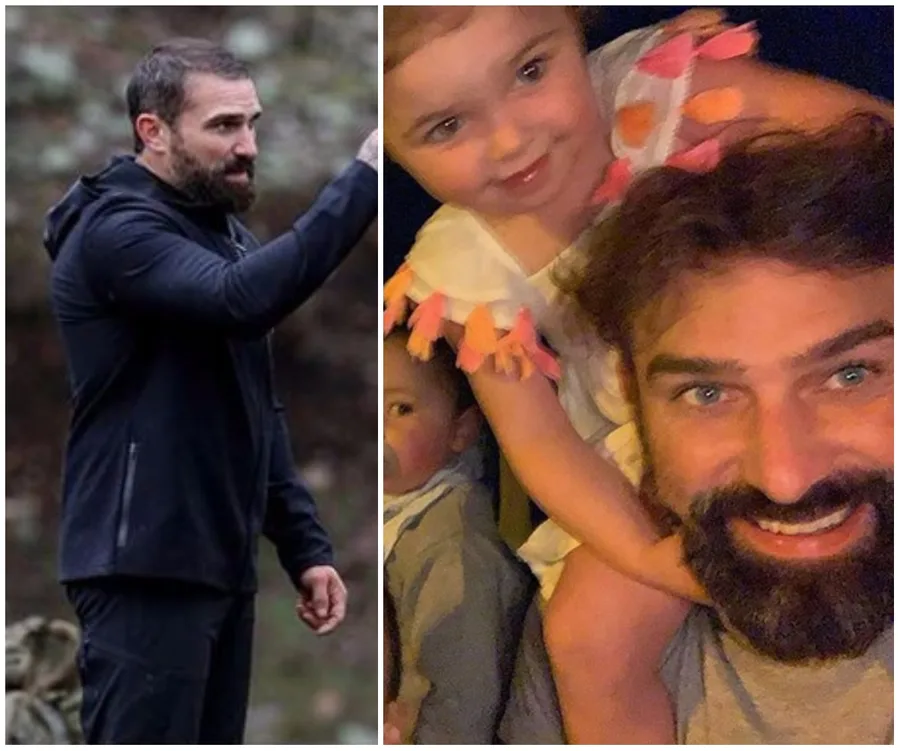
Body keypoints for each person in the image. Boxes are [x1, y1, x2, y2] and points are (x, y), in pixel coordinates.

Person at [382, 6, 892, 742]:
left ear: (574, 24)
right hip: (621, 468)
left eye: (530, 71)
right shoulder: (463, 274)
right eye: (445, 127)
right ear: (391, 151)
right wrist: (648, 556)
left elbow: (870, 134)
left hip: (788, 361)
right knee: (588, 635)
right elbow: (542, 448)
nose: (510, 138)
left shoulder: (663, 90)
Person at [44, 38, 377, 743]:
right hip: (141, 565)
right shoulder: (116, 231)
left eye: (252, 123)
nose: (248, 144)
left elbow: (255, 407)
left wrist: (305, 546)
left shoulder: (223, 236)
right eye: (224, 126)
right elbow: (240, 301)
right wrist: (368, 177)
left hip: (217, 564)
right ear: (153, 132)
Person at [552, 113, 891, 743]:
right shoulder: (602, 636)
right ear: (634, 401)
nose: (785, 478)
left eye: (850, 376)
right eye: (707, 393)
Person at [383, 329, 533, 743]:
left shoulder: (451, 543)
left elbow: (463, 689)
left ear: (460, 431)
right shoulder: (390, 502)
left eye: (400, 408)